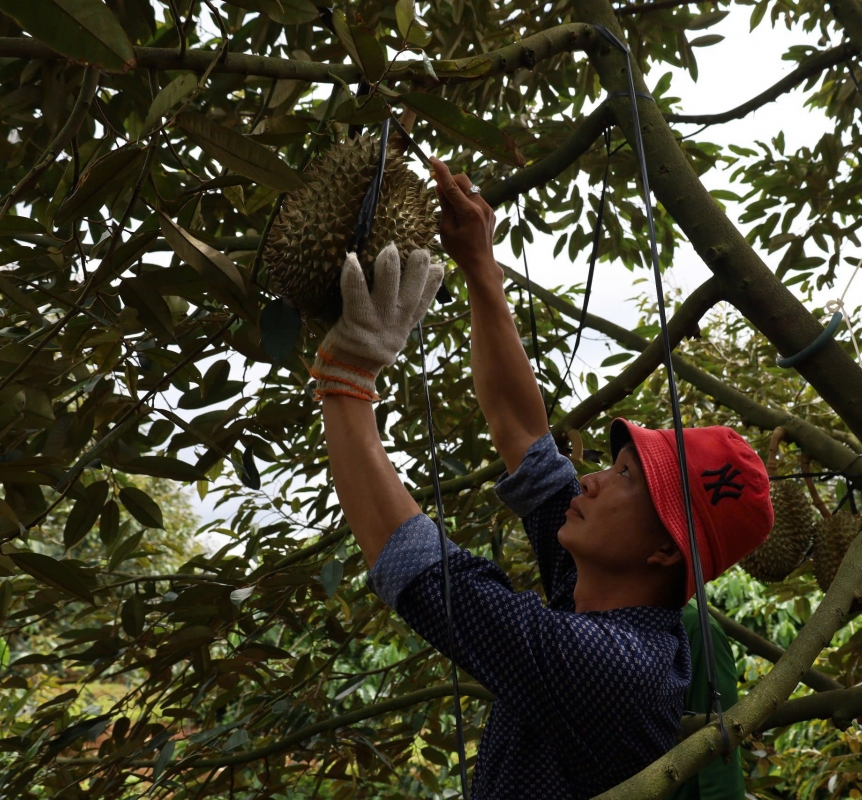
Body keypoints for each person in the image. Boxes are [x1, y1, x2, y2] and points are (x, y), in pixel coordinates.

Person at [317, 156, 774, 799]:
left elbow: (420, 567)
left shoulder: (616, 666)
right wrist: (480, 260)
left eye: (626, 480)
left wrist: (347, 381)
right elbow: (522, 435)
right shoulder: (602, 594)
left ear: (665, 548)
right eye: (611, 466)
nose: (589, 482)